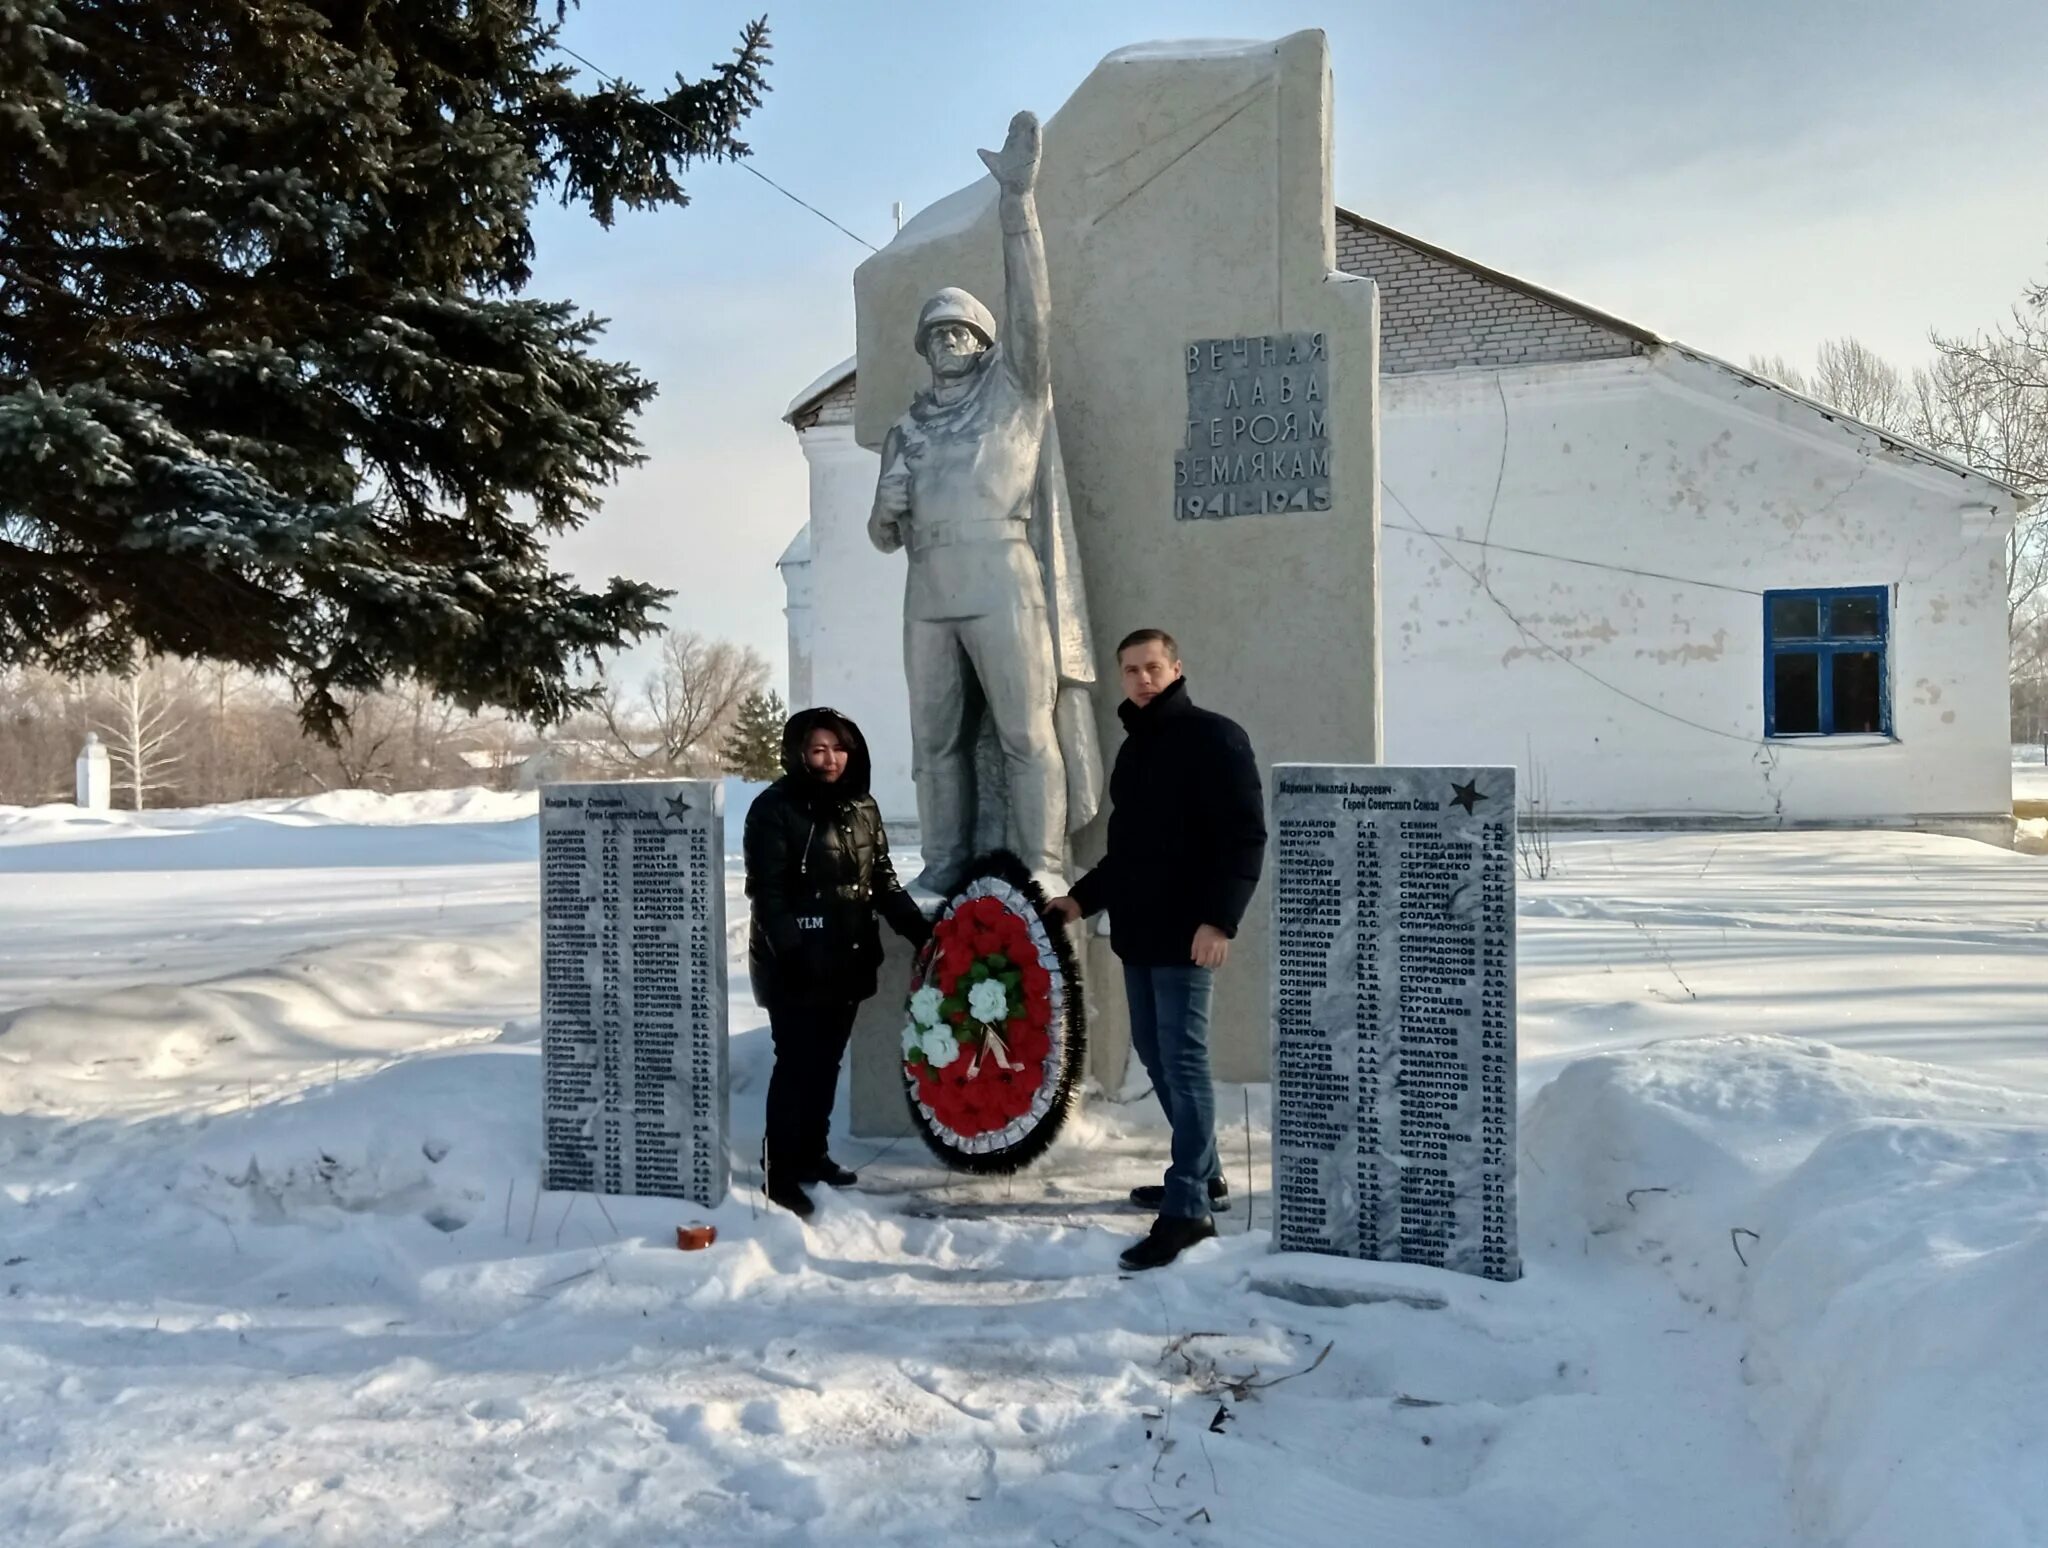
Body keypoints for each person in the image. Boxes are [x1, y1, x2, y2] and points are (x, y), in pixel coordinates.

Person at [867, 109, 1102, 895]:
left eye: (961, 333)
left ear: (984, 341)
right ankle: (945, 859)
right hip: (928, 586)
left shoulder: (1013, 393)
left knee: (1024, 732)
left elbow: (1031, 304)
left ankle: (1043, 863)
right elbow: (880, 533)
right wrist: (888, 504)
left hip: (1003, 576)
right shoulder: (908, 426)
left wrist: (1018, 203)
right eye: (936, 336)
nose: (948, 344)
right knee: (933, 741)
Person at [1047, 630, 1267, 1271]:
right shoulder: (1137, 746)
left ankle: (1188, 1208)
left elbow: (1243, 838)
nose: (1142, 678)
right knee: (1155, 1053)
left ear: (1176, 667)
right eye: (1131, 670)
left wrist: (1219, 922)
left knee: (1184, 1060)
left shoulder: (1215, 737)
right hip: (1139, 932)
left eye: (1153, 667)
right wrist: (1081, 900)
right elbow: (1132, 852)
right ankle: (1207, 1174)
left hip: (1188, 934)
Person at [745, 707, 930, 1218]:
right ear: (799, 753)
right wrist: (792, 954)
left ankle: (811, 1154)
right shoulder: (773, 809)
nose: (830, 759)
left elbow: (883, 879)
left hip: (847, 957)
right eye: (818, 749)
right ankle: (778, 1169)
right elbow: (769, 894)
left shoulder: (862, 806)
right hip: (797, 962)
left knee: (826, 1061)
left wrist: (921, 932)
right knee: (797, 1064)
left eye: (839, 748)